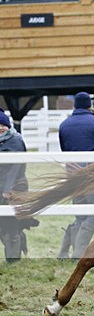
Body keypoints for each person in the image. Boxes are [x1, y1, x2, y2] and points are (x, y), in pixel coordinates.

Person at [57, 92, 94, 258]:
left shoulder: (64, 124)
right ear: (89, 105)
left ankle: (64, 252)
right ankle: (79, 254)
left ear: (75, 105)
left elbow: (64, 149)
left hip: (73, 175)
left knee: (80, 215)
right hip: (92, 176)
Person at [0, 109, 30, 262]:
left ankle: (13, 260)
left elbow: (16, 168)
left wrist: (7, 190)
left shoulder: (15, 140)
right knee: (3, 226)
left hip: (13, 188)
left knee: (9, 224)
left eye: (2, 125)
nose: (0, 128)